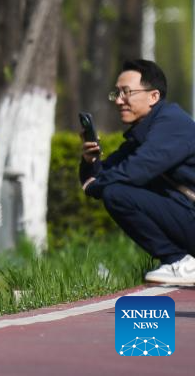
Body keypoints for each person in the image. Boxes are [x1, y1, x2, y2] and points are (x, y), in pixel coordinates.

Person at [80, 59, 195, 285]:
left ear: (153, 96)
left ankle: (180, 262)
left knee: (116, 193)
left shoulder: (173, 123)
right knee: (115, 191)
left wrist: (94, 186)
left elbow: (137, 169)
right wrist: (89, 161)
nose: (119, 100)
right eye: (116, 93)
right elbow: (101, 176)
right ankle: (181, 261)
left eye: (127, 92)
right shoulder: (141, 136)